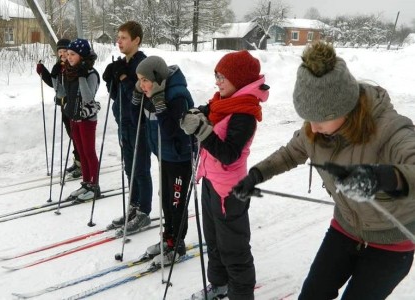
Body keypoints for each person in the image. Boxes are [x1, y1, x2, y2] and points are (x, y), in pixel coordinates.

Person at [232, 41, 415, 300]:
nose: (313, 128)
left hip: (391, 244)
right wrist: (256, 174)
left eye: (319, 120)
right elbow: (290, 152)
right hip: (345, 228)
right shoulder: (313, 129)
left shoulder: (389, 129)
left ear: (345, 108)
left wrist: (385, 176)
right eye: (308, 119)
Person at [180, 50, 270, 300]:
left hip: (230, 192)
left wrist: (201, 130)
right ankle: (219, 284)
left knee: (234, 249)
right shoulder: (221, 101)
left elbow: (229, 154)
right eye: (216, 76)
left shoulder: (245, 113)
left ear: (239, 80)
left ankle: (241, 295)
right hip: (210, 182)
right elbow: (206, 111)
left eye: (222, 77)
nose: (217, 82)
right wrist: (195, 115)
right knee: (214, 241)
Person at [132, 56, 194, 265]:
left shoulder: (177, 97)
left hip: (180, 157)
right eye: (139, 80)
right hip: (165, 156)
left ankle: (177, 244)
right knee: (166, 201)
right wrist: (138, 95)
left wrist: (160, 105)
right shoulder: (155, 91)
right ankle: (168, 239)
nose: (142, 84)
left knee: (176, 203)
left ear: (157, 79)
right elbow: (137, 118)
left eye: (144, 80)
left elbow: (169, 131)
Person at [102, 21, 153, 232]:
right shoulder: (123, 62)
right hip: (123, 122)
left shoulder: (144, 65)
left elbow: (136, 96)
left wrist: (123, 78)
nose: (119, 41)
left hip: (139, 123)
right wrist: (111, 81)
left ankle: (144, 212)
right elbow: (118, 98)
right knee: (128, 167)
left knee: (140, 167)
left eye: (124, 37)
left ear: (136, 40)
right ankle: (133, 206)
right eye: (118, 37)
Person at [36, 38, 82, 178]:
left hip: (73, 105)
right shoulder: (59, 65)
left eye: (64, 51)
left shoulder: (72, 66)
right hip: (63, 105)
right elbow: (55, 85)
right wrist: (43, 72)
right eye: (60, 52)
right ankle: (79, 162)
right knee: (72, 136)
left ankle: (82, 164)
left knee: (77, 136)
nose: (62, 54)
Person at [63, 38, 101, 201]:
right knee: (81, 153)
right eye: (68, 54)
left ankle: (94, 185)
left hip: (87, 119)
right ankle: (86, 183)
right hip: (74, 118)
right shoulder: (71, 71)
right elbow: (64, 93)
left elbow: (87, 97)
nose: (69, 57)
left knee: (89, 152)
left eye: (72, 54)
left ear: (82, 56)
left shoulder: (90, 74)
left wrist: (81, 76)